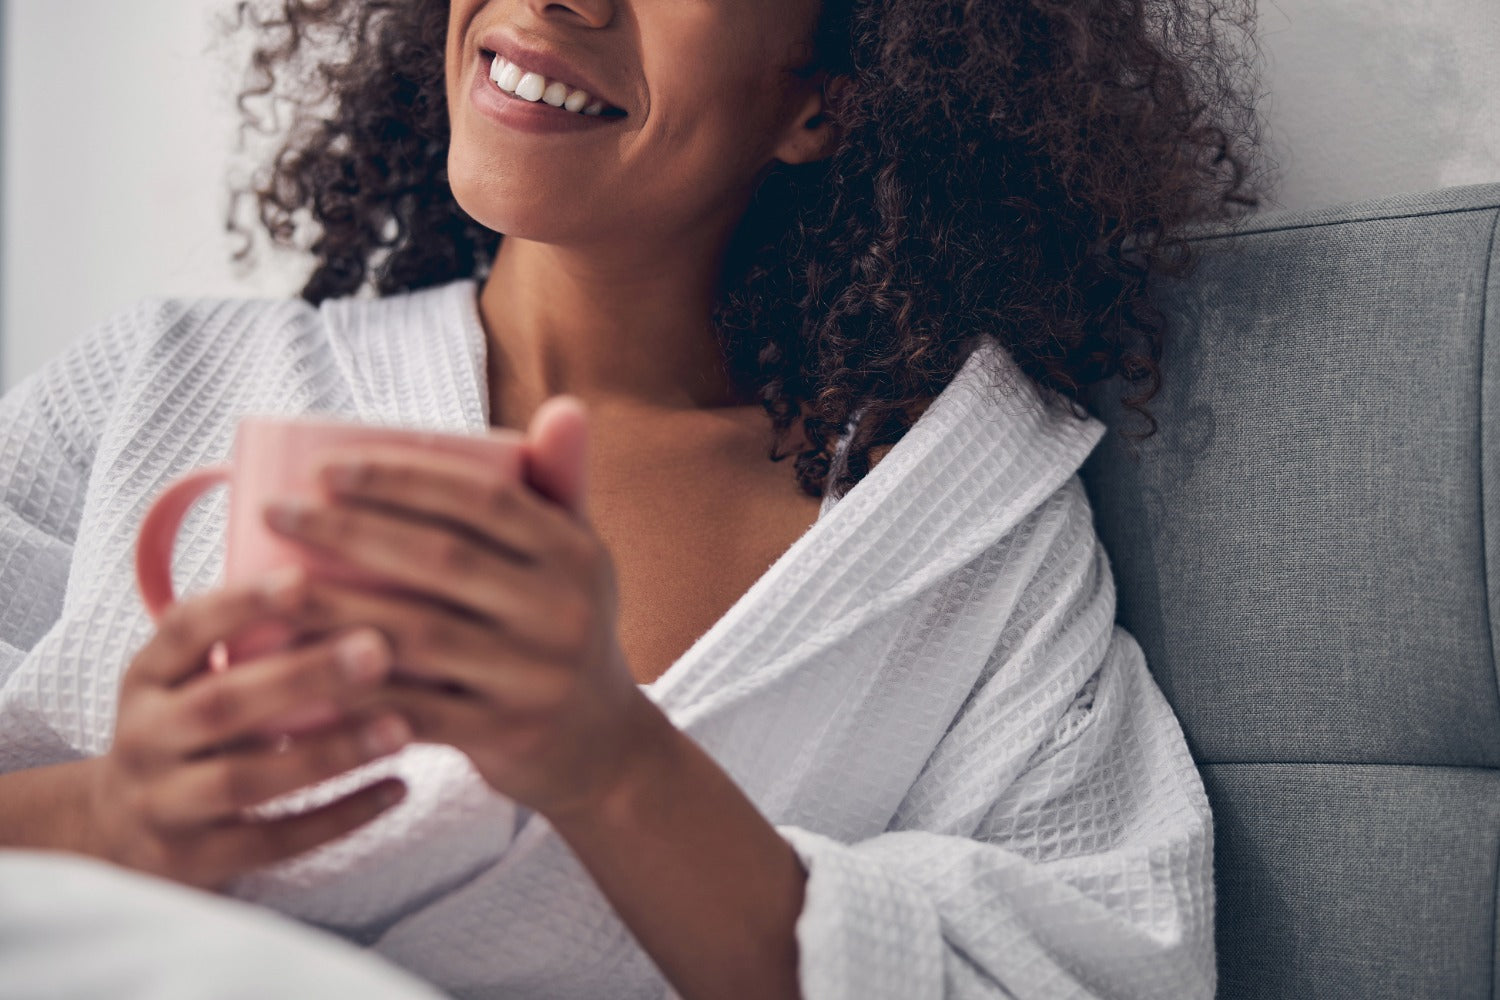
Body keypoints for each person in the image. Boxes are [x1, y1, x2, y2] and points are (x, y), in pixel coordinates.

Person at [0, 0, 1267, 997]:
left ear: (826, 99)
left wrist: (614, 766)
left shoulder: (956, 526)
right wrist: (119, 813)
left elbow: (1104, 961)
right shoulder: (167, 382)